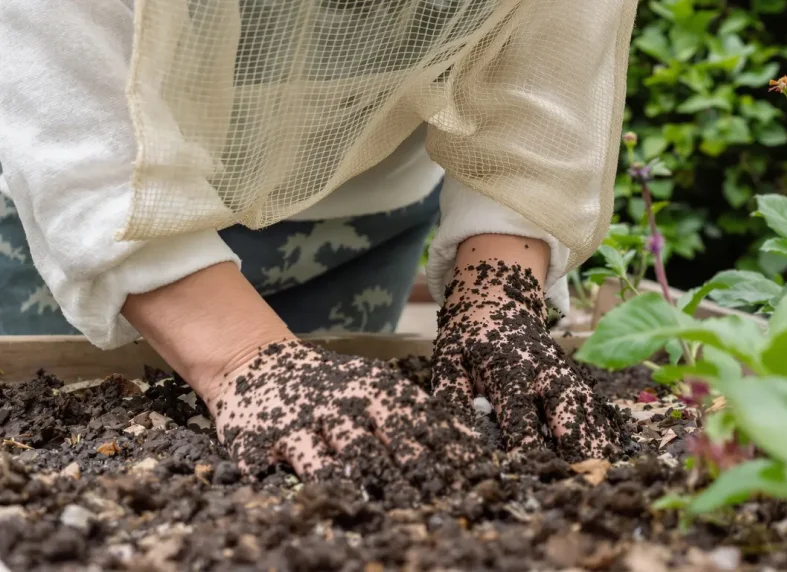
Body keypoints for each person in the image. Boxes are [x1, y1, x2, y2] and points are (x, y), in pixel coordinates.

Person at [0, 1, 638, 481]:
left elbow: (548, 42)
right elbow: (58, 72)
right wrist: (242, 356)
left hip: (361, 211)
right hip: (82, 205)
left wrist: (497, 298)